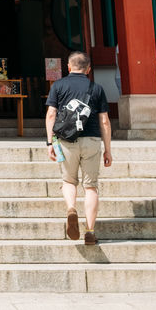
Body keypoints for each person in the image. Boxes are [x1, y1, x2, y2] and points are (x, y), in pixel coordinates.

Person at [44, 51, 113, 246]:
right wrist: (107, 149)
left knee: (69, 181)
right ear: (88, 69)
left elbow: (51, 115)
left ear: (68, 67)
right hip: (91, 140)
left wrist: (50, 142)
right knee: (91, 186)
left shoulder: (58, 86)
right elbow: (105, 121)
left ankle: (71, 208)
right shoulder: (97, 88)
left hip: (66, 141)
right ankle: (90, 231)